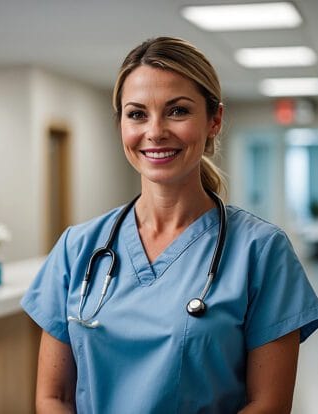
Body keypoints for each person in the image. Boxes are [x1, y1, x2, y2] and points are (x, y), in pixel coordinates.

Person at [21, 37, 318, 414]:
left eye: (177, 111)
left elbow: (269, 405)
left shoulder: (261, 251)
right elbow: (54, 397)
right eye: (137, 113)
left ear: (214, 120)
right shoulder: (78, 248)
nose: (155, 130)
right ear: (121, 124)